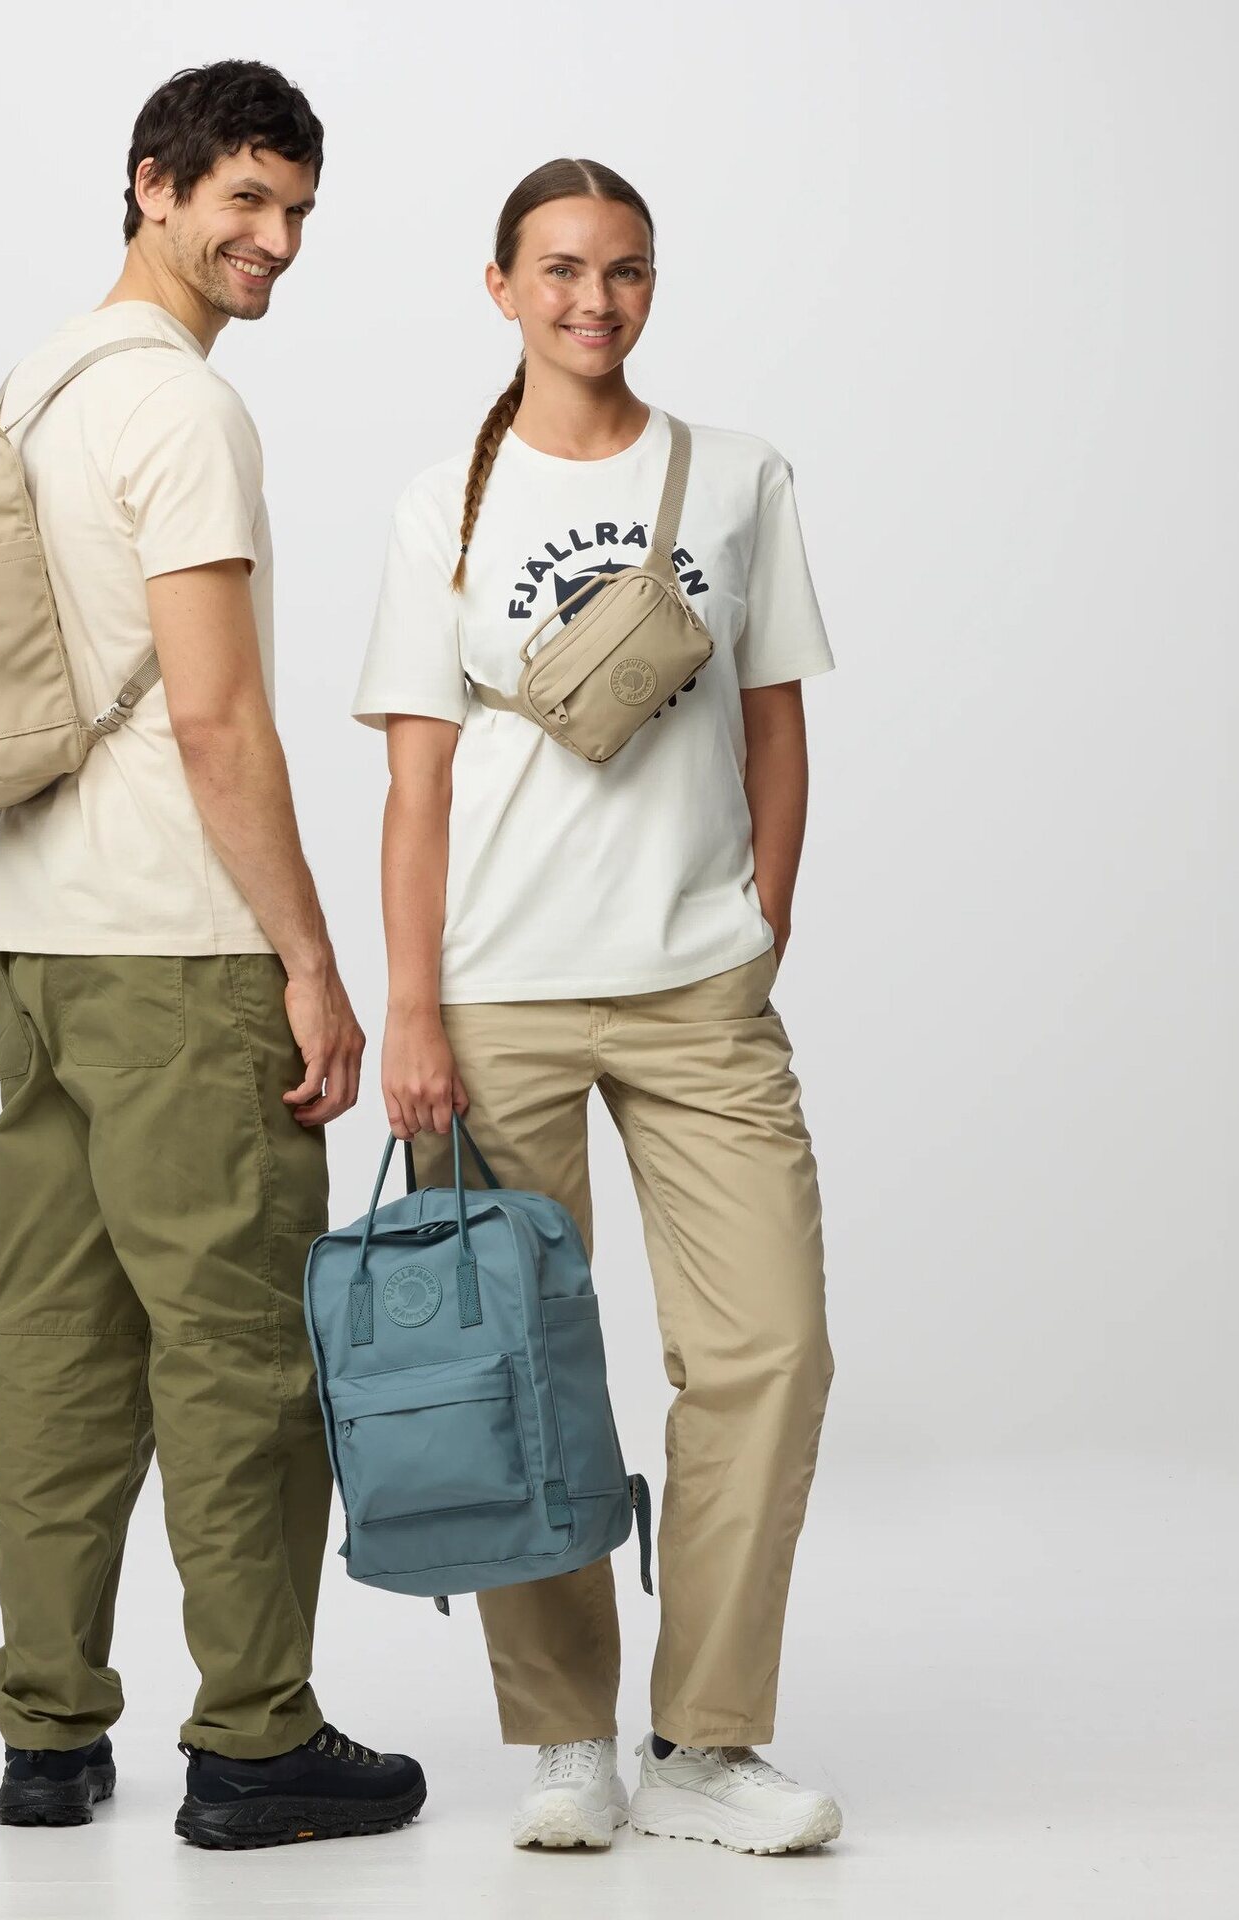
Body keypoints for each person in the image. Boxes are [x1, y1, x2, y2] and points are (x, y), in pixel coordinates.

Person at [351, 157, 842, 1855]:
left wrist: (763, 921)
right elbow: (417, 783)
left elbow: (774, 719)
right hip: (496, 993)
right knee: (519, 1371)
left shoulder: (739, 474)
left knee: (769, 1350)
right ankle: (568, 1736)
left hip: (698, 990)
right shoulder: (444, 504)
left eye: (623, 269)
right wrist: (412, 1009)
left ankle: (708, 1739)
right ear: (500, 287)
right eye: (559, 269)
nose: (594, 299)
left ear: (652, 284)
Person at [0, 61, 423, 1849]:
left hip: (30, 938)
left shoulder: (33, 387)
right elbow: (220, 723)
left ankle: (46, 1738)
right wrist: (308, 958)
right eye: (244, 198)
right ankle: (254, 1744)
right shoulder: (181, 409)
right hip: (175, 948)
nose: (276, 241)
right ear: (150, 185)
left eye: (297, 210)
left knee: (59, 1356)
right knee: (237, 1355)